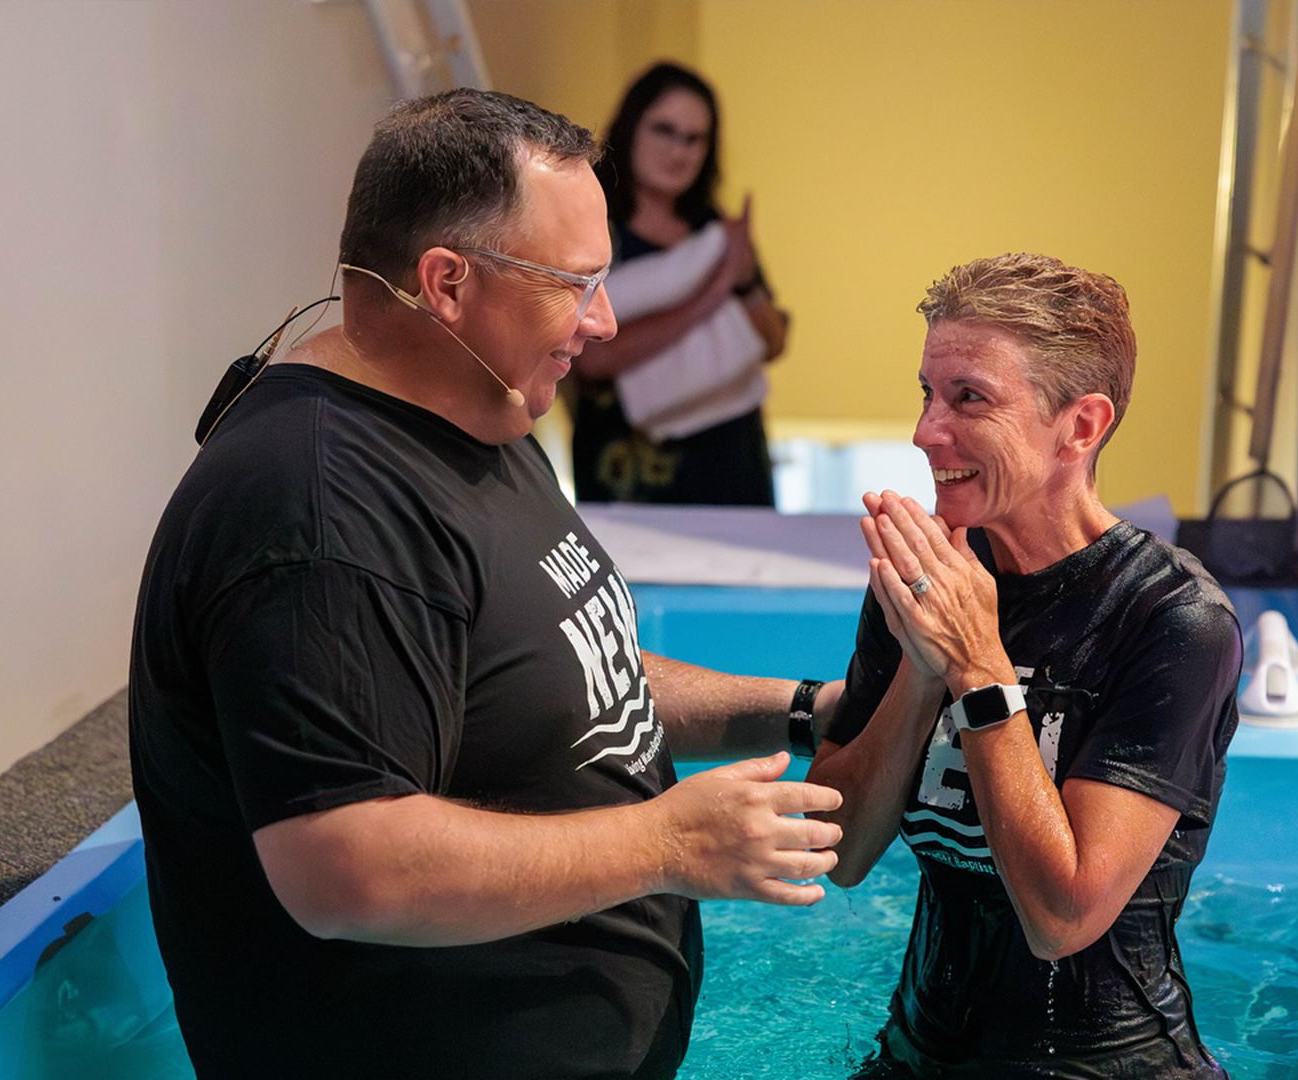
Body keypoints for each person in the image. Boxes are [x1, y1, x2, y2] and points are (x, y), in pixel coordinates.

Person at [127, 89, 844, 1079]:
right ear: (447, 284)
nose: (604, 322)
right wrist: (665, 847)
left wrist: (801, 712)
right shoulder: (320, 510)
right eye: (576, 284)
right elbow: (348, 871)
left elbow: (561, 669)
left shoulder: (481, 406)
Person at [807, 254, 1243, 1078]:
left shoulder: (1172, 619)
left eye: (968, 398)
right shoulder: (927, 581)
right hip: (917, 1058)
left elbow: (1062, 916)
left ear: (1080, 426)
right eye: (927, 393)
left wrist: (976, 667)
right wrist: (923, 663)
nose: (926, 431)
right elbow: (843, 853)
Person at [567, 61, 789, 506]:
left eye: (695, 138)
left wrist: (742, 283)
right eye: (664, 130)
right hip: (630, 468)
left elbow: (773, 342)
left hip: (730, 456)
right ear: (631, 128)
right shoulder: (590, 228)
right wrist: (710, 297)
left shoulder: (716, 233)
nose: (679, 151)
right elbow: (590, 359)